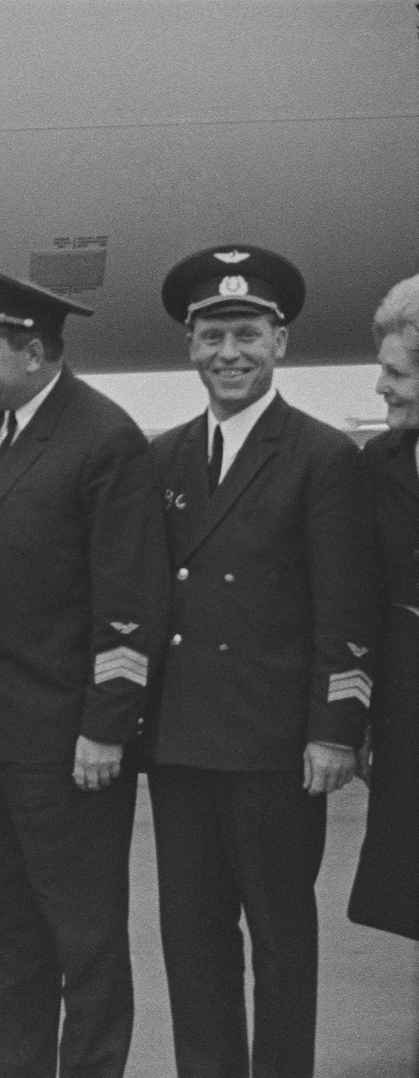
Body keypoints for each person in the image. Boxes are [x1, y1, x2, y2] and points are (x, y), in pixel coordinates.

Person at [147, 245, 381, 1078]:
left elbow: (345, 610)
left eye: (246, 333)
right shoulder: (163, 456)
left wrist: (335, 729)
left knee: (281, 944)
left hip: (277, 751)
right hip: (181, 748)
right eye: (212, 336)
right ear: (189, 346)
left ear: (279, 341)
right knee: (193, 943)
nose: (229, 355)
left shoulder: (322, 457)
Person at [0, 263, 164, 1078]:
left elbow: (129, 601)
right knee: (9, 930)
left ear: (33, 351)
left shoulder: (103, 437)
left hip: (66, 740)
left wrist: (106, 728)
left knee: (85, 938)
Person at [349, 272, 419, 942]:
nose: (381, 387)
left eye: (395, 373)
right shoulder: (382, 463)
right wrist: (362, 720)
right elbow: (363, 597)